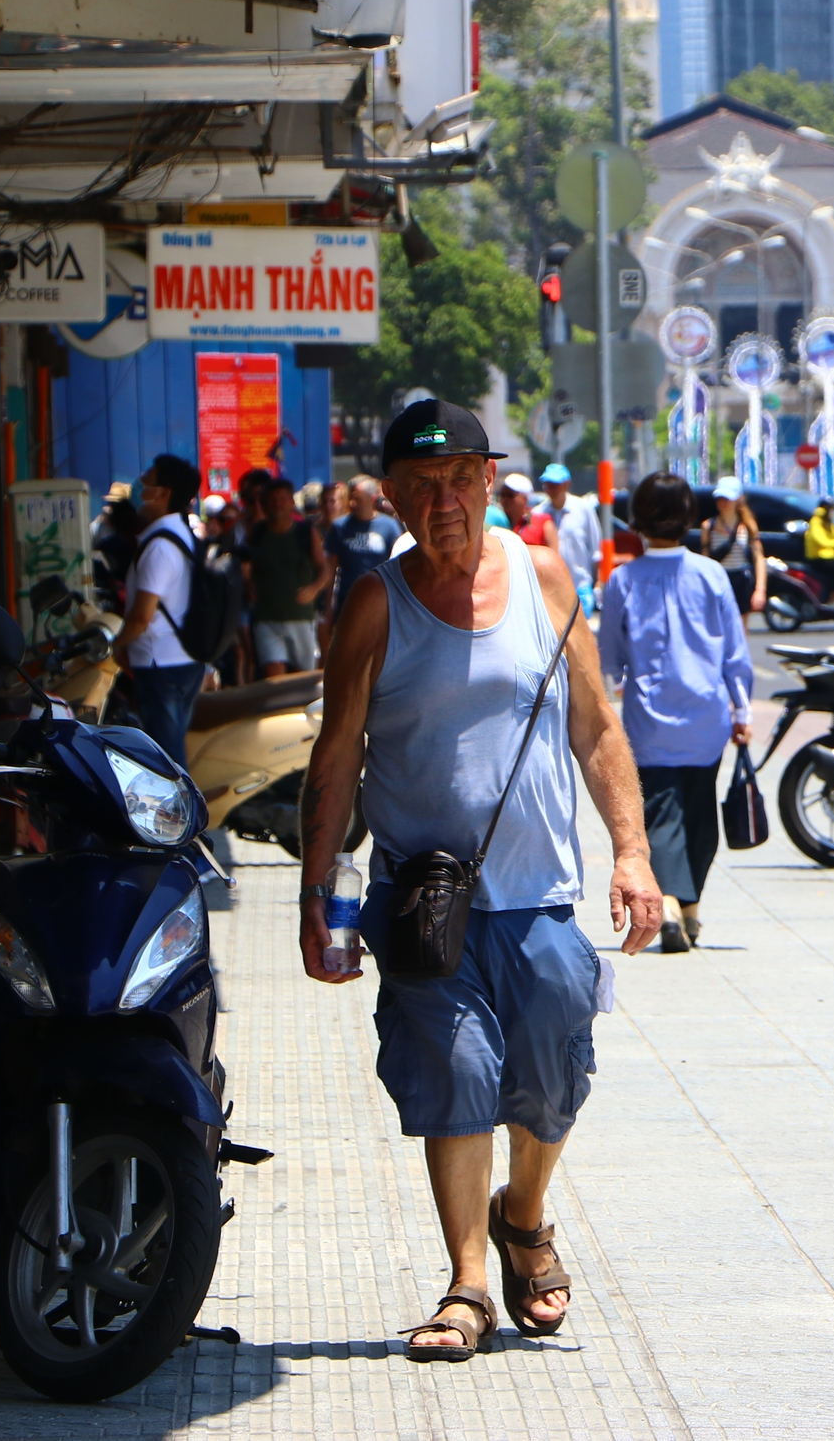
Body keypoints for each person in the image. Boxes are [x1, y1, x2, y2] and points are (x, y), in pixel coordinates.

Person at [299, 398, 661, 1361]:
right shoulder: (377, 602)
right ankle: (466, 1285)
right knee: (455, 1073)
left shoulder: (544, 576)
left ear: (490, 481)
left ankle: (524, 1215)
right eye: (422, 486)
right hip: (423, 900)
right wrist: (316, 899)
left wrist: (630, 851)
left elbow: (595, 725)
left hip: (538, 893)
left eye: (461, 478)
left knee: (551, 1073)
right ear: (392, 498)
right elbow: (336, 759)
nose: (445, 500)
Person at [598, 472, 754, 953]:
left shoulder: (623, 580)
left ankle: (667, 903)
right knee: (699, 812)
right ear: (689, 517)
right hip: (707, 718)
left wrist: (609, 700)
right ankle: (689, 907)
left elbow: (609, 657)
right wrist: (742, 708)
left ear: (639, 521)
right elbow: (735, 652)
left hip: (649, 720)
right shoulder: (711, 574)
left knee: (659, 812)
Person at [111, 454, 206, 771]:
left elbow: (141, 616)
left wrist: (117, 644)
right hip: (180, 658)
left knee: (166, 759)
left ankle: (180, 818)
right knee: (169, 750)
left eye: (147, 479)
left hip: (160, 663)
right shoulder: (178, 535)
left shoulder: (160, 546)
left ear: (163, 493)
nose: (139, 484)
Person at [245, 477, 334, 676]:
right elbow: (247, 567)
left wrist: (313, 589)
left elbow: (325, 569)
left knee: (302, 675)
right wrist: (248, 584)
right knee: (273, 672)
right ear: (266, 504)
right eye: (273, 499)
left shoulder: (305, 532)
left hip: (299, 616)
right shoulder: (257, 533)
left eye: (283, 499)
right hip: (266, 617)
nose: (278, 504)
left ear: (292, 503)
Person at [325, 475, 405, 614]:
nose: (352, 503)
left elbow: (400, 563)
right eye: (351, 498)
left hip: (381, 602)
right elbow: (330, 567)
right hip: (347, 601)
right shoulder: (340, 526)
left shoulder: (389, 527)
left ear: (372, 500)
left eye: (358, 499)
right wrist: (328, 606)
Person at [537, 463, 603, 613]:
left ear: (566, 485)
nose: (551, 489)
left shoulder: (584, 509)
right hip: (551, 589)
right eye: (547, 485)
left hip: (580, 587)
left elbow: (596, 549)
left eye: (555, 484)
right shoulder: (539, 513)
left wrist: (599, 582)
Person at [699, 476, 766, 615]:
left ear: (738, 499)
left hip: (741, 580)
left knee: (741, 630)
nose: (723, 502)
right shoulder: (708, 526)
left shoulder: (748, 526)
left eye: (728, 498)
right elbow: (704, 561)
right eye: (720, 498)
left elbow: (758, 558)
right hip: (718, 580)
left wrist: (760, 590)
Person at [803, 496, 834, 603]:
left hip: (829, 558)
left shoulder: (829, 523)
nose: (833, 512)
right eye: (831, 509)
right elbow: (822, 541)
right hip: (818, 559)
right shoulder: (816, 522)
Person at [497, 473, 536, 538]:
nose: (505, 499)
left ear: (524, 498)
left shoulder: (540, 523)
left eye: (510, 495)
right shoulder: (496, 522)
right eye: (502, 494)